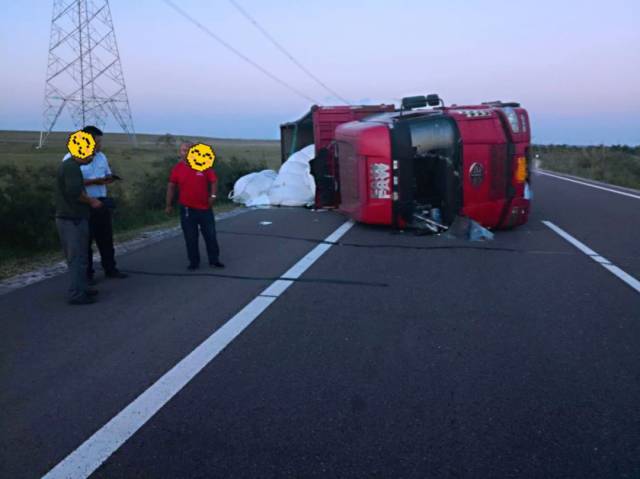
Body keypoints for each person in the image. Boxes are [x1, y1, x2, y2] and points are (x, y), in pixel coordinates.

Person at [63, 126, 128, 282]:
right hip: (84, 204)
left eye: (100, 142)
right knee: (85, 242)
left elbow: (105, 174)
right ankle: (87, 275)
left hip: (102, 202)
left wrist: (108, 178)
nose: (100, 145)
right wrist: (95, 181)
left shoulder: (101, 157)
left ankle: (110, 268)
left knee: (105, 239)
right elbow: (72, 184)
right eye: (97, 141)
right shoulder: (70, 158)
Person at [55, 143, 103, 304]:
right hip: (71, 218)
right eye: (91, 154)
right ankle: (76, 294)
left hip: (75, 217)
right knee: (76, 257)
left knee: (81, 256)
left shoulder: (71, 166)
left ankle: (83, 287)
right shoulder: (71, 168)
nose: (92, 157)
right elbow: (75, 192)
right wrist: (92, 201)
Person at [165, 142, 224, 270]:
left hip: (204, 208)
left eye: (187, 150)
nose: (185, 153)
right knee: (190, 237)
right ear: (180, 152)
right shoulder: (177, 168)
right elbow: (171, 186)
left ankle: (214, 260)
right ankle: (194, 262)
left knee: (210, 235)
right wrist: (168, 204)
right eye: (182, 150)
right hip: (187, 209)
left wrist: (213, 196)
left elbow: (213, 181)